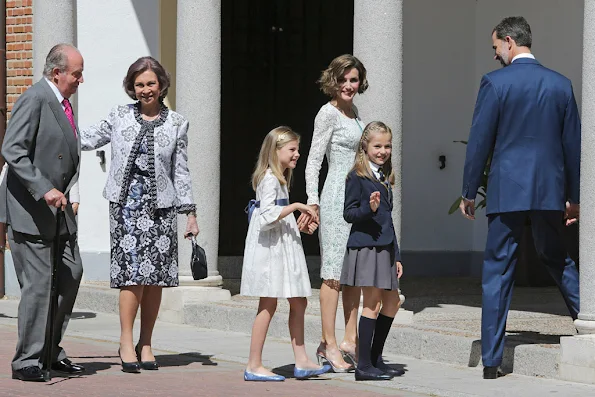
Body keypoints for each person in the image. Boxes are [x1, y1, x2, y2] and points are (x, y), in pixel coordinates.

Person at [460, 16, 581, 380]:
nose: (495, 54)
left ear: (510, 41)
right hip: (549, 190)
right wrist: (574, 197)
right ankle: (590, 322)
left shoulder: (495, 84)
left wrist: (468, 191)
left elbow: (480, 140)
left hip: (507, 190)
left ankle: (492, 361)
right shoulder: (561, 84)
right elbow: (573, 147)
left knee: (497, 269)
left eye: (496, 46)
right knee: (559, 259)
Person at [79, 56, 199, 373]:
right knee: (132, 275)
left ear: (161, 86)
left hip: (162, 206)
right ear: (132, 88)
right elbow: (85, 138)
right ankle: (124, 340)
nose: (146, 89)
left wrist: (190, 212)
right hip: (126, 205)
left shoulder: (177, 123)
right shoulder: (119, 116)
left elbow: (181, 170)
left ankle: (146, 343)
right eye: (139, 84)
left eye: (151, 83)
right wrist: (49, 131)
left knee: (156, 278)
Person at [0, 43, 85, 382]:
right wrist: (43, 187)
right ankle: (26, 362)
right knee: (37, 286)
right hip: (31, 211)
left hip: (60, 213)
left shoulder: (63, 105)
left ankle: (49, 349)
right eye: (76, 74)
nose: (81, 80)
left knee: (72, 274)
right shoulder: (36, 98)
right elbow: (12, 149)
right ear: (57, 73)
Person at [241, 126, 331, 381]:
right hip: (271, 251)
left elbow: (279, 216)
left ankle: (301, 360)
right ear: (276, 150)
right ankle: (253, 364)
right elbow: (268, 215)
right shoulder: (270, 178)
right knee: (268, 304)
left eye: (297, 149)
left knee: (298, 300)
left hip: (281, 246)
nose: (297, 154)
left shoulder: (280, 179)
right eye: (292, 149)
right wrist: (298, 206)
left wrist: (300, 222)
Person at [303, 54, 368, 371]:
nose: (348, 85)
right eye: (342, 79)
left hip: (355, 199)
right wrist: (312, 203)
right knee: (332, 273)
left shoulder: (355, 113)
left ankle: (349, 340)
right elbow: (314, 161)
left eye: (353, 79)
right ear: (333, 81)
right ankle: (328, 343)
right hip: (334, 200)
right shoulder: (327, 114)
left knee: (352, 272)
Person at [342, 121, 403, 381]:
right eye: (377, 145)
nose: (383, 150)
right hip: (367, 247)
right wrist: (370, 209)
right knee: (373, 303)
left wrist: (397, 255)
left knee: (392, 302)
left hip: (385, 247)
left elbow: (388, 220)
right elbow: (349, 214)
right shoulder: (357, 176)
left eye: (387, 145)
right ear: (365, 146)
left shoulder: (386, 177)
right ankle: (363, 365)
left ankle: (376, 358)